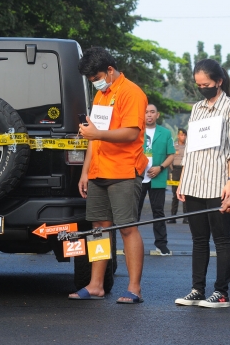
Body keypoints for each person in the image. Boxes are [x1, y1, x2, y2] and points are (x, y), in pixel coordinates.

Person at [69, 47, 148, 304]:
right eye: (91, 80)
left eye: (96, 78)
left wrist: (97, 135)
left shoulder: (131, 93)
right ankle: (95, 285)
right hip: (98, 171)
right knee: (98, 229)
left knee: (127, 228)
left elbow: (131, 133)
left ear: (110, 70)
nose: (95, 83)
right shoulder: (101, 97)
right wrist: (85, 171)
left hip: (124, 171)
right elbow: (93, 136)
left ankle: (134, 288)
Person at [175, 58, 230, 308]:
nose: (202, 88)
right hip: (194, 183)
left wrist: (229, 182)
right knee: (198, 239)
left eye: (206, 84)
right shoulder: (197, 108)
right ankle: (197, 289)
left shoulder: (228, 108)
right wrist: (182, 181)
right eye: (198, 85)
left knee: (222, 240)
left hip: (218, 182)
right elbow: (191, 149)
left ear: (219, 82)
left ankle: (221, 292)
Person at [137, 104, 175, 256]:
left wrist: (160, 167)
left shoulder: (165, 133)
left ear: (157, 115)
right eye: (146, 112)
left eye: (152, 112)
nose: (149, 115)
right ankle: (131, 244)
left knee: (158, 211)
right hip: (138, 177)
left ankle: (161, 244)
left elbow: (171, 154)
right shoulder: (136, 132)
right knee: (134, 212)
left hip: (157, 178)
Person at [168, 128, 188, 224]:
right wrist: (172, 171)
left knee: (185, 194)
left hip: (185, 171)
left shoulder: (188, 147)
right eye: (181, 135)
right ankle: (173, 216)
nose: (182, 137)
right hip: (175, 170)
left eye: (184, 135)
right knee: (175, 195)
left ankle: (186, 217)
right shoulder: (174, 146)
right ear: (178, 136)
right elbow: (170, 159)